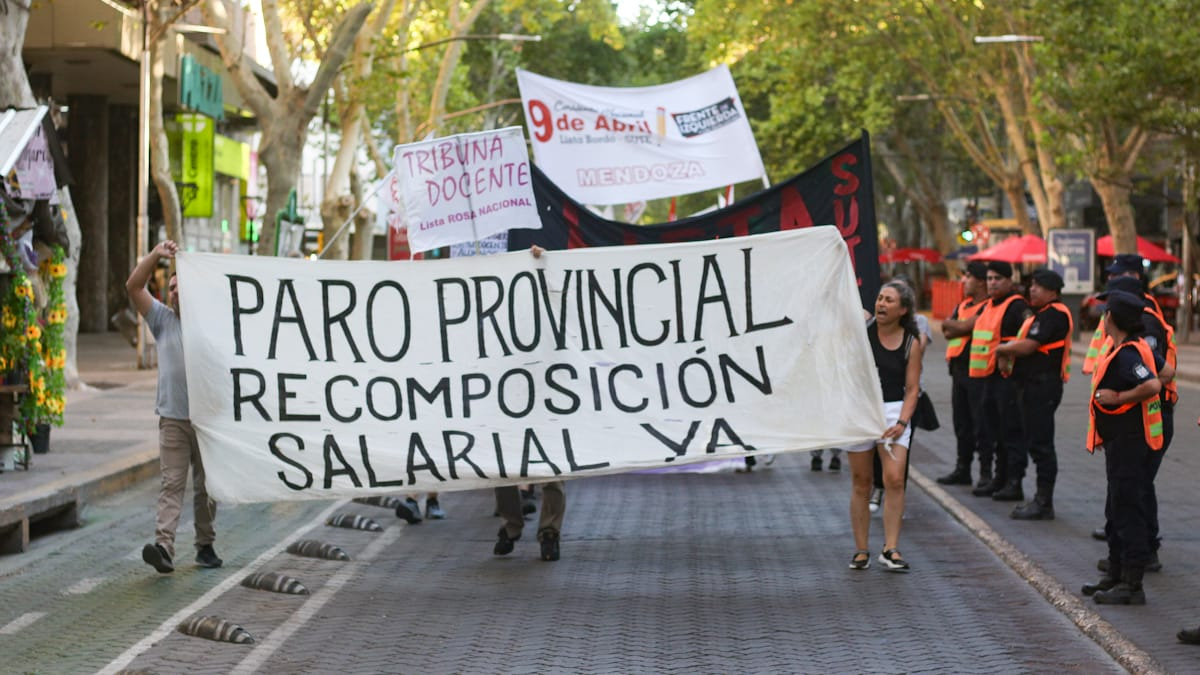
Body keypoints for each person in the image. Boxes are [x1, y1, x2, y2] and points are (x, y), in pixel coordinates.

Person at [126, 240, 221, 573]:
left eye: (182, 287)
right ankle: (163, 546)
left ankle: (205, 545)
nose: (176, 293)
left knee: (206, 488)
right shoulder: (162, 320)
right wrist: (155, 255)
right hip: (173, 419)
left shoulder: (211, 324)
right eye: (172, 288)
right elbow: (133, 286)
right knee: (172, 484)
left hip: (206, 420)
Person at [1081, 290, 1173, 605]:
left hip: (1130, 443)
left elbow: (1152, 383)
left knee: (1126, 509)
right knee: (1116, 507)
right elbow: (1167, 370)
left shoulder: (1127, 355)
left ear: (1112, 319)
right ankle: (1116, 574)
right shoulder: (1130, 347)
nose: (1102, 319)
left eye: (1105, 313)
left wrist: (1119, 398)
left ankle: (1132, 585)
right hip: (1125, 442)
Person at [493, 245, 565, 562]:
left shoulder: (551, 309)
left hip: (549, 398)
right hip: (509, 397)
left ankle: (549, 533)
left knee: (552, 470)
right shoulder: (501, 309)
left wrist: (542, 262)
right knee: (503, 470)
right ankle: (511, 526)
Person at [847, 281, 922, 572]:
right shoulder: (861, 333)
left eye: (889, 300)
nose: (881, 304)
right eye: (880, 298)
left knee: (894, 479)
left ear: (903, 310)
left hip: (893, 410)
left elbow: (913, 388)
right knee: (861, 482)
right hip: (860, 409)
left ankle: (891, 548)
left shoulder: (910, 342)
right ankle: (861, 549)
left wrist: (903, 421)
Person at [994, 269, 1072, 520]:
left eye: (1038, 286)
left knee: (1041, 444)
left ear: (1052, 291)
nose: (1032, 290)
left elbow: (1029, 346)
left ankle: (1043, 501)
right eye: (1031, 285)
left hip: (1043, 386)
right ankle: (1039, 498)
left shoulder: (1054, 315)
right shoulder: (1041, 314)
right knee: (1033, 440)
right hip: (1031, 386)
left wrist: (1002, 349)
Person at [969, 261, 1028, 500]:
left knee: (1012, 432)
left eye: (998, 278)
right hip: (988, 378)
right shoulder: (988, 306)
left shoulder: (1016, 307)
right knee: (993, 431)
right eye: (990, 278)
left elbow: (1021, 341)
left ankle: (1014, 482)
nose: (993, 282)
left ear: (1009, 281)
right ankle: (999, 478)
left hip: (1009, 380)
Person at [937, 261, 989, 486]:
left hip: (978, 372)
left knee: (982, 425)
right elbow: (948, 330)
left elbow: (962, 327)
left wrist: (956, 325)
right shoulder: (963, 305)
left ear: (980, 282)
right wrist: (957, 325)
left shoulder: (989, 307)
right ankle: (963, 468)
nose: (963, 281)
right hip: (958, 372)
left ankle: (986, 473)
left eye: (967, 277)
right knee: (962, 424)